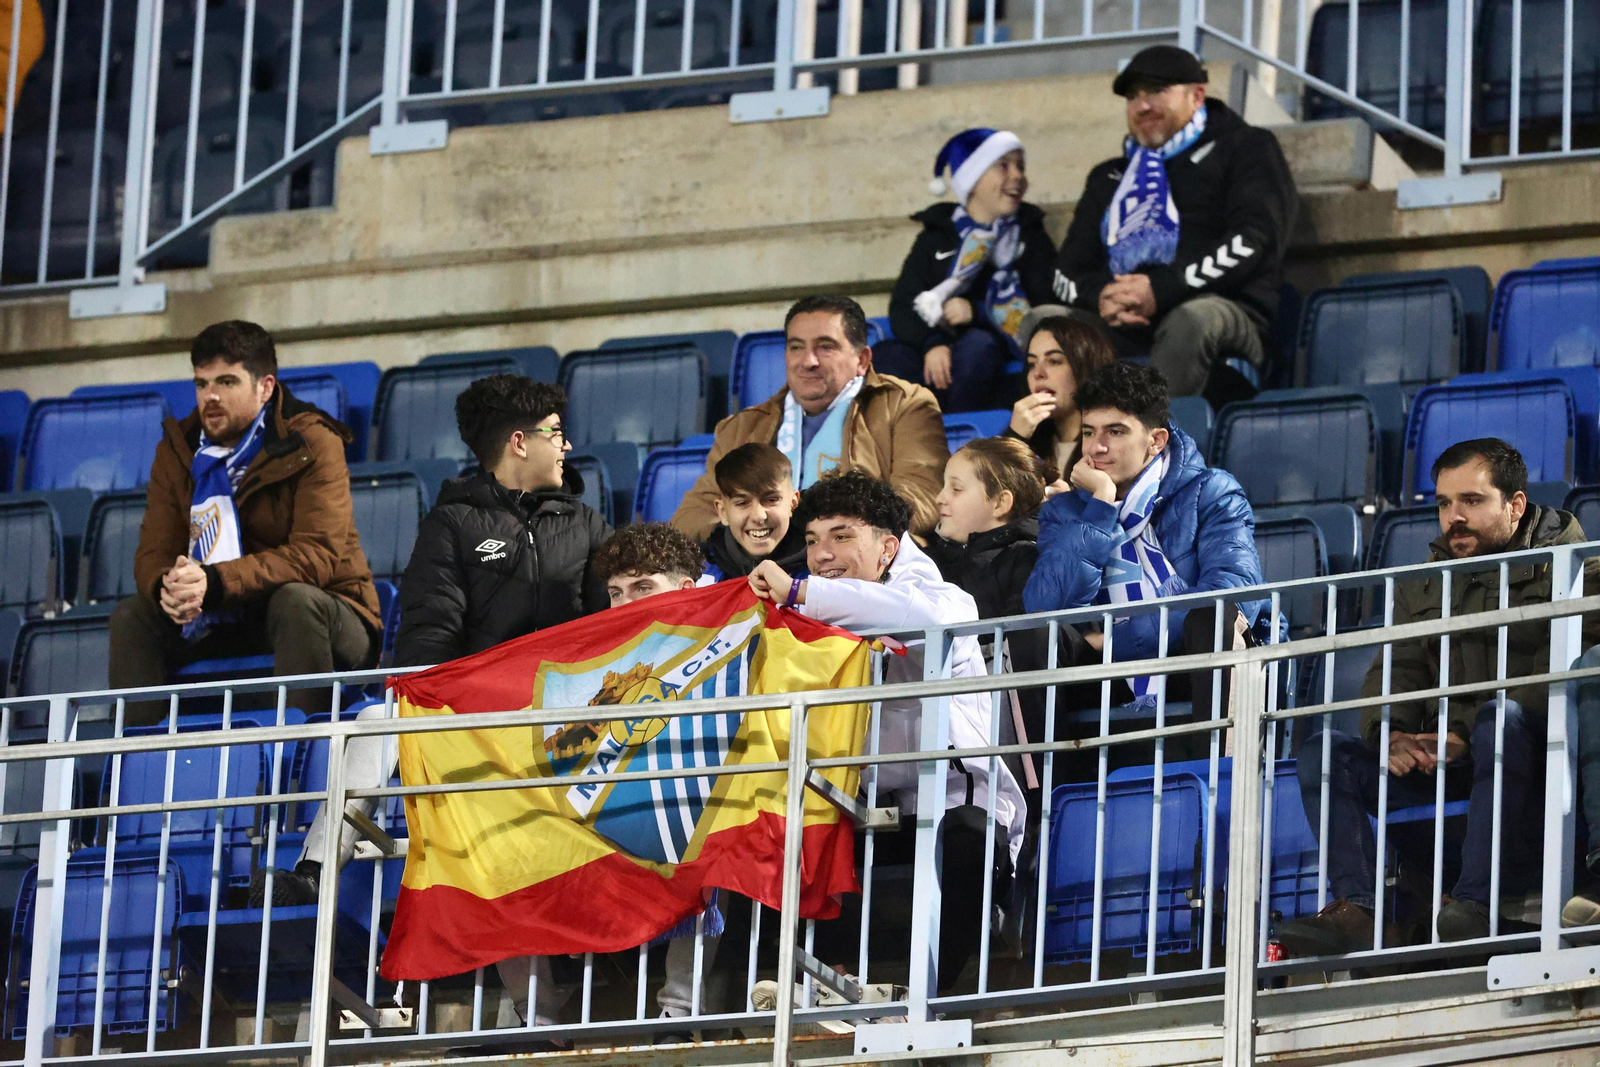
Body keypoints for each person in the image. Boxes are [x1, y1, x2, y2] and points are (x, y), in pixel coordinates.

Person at [249, 374, 611, 907]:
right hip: (481, 714)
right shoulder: (452, 524)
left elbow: (611, 624)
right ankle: (313, 873)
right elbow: (430, 631)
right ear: (519, 442)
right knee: (374, 721)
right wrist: (441, 701)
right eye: (555, 432)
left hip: (568, 711)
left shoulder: (588, 525)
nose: (567, 444)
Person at [1280, 439, 1600, 954]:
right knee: (1325, 752)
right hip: (1453, 761)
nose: (1454, 517)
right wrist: (1391, 733)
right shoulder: (1426, 580)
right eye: (1445, 503)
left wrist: (1464, 736)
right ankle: (1360, 909)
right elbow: (1397, 668)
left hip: (1539, 761)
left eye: (1471, 501)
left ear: (1515, 505)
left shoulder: (1576, 568)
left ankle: (1472, 903)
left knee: (1502, 718)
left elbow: (1556, 676)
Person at [749, 470, 1027, 990]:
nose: (822, 554)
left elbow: (922, 622)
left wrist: (803, 592)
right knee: (778, 830)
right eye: (812, 539)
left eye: (842, 536)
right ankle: (829, 986)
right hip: (864, 804)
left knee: (968, 842)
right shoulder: (810, 611)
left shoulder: (942, 598)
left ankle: (925, 1001)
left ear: (887, 549)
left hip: (952, 799)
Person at [498, 522, 712, 1030]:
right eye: (616, 592)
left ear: (685, 590)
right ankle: (536, 1024)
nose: (625, 603)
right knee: (499, 842)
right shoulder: (592, 659)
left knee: (708, 838)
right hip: (586, 812)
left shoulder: (718, 646)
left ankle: (679, 1014)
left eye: (643, 587)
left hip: (672, 806)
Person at [112, 321, 381, 723]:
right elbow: (154, 550)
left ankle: (301, 752)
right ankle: (136, 757)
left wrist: (216, 581)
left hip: (329, 612)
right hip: (216, 616)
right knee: (132, 616)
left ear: (265, 387)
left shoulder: (312, 440)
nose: (211, 396)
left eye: (226, 382)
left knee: (295, 601)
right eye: (201, 384)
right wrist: (169, 587)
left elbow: (316, 556)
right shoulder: (177, 449)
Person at [1052, 44, 1296, 405]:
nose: (1142, 106)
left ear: (1196, 96)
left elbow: (1253, 240)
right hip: (1124, 321)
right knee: (1047, 325)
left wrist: (1161, 288)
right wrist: (1101, 295)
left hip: (1221, 308)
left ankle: (1157, 439)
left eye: (1156, 91)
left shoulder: (1246, 147)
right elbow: (1067, 269)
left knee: (1191, 320)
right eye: (1132, 97)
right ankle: (1067, 440)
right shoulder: (1108, 176)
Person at [1022, 361, 1263, 718]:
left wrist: (1114, 641)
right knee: (1034, 637)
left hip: (1189, 666)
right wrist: (1101, 507)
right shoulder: (1065, 511)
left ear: (1156, 441)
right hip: (1104, 678)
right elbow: (1044, 609)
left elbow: (1235, 596)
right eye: (1088, 432)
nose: (1096, 448)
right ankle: (1050, 758)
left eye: (1115, 432)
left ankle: (1217, 754)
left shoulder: (1211, 491)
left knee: (1213, 619)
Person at [671, 295, 949, 539]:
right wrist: (744, 539)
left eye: (825, 347)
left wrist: (838, 534)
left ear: (862, 360)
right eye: (796, 347)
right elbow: (692, 517)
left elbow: (921, 497)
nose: (808, 361)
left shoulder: (903, 405)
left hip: (861, 568)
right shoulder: (741, 428)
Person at [873, 128, 1058, 413]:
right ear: (972, 181)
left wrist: (977, 312)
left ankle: (963, 433)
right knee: (886, 356)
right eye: (1003, 165)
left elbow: (1042, 306)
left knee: (978, 347)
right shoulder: (936, 236)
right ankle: (917, 429)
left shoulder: (1029, 236)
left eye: (1020, 166)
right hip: (935, 352)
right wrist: (933, 344)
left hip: (993, 354)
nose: (1018, 176)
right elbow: (904, 304)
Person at [925, 436, 1059, 820]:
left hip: (998, 734)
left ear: (1000, 503)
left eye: (956, 489)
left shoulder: (1024, 556)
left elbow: (1015, 644)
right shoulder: (934, 564)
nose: (940, 499)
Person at [1004, 306, 1117, 476]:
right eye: (1031, 364)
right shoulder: (1027, 442)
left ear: (1087, 367)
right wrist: (1015, 439)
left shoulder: (1113, 444)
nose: (1038, 373)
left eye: (1054, 361)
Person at [700, 443, 806, 581]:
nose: (759, 516)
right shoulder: (698, 574)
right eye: (742, 503)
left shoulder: (822, 573)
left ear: (793, 503)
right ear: (723, 512)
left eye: (771, 500)